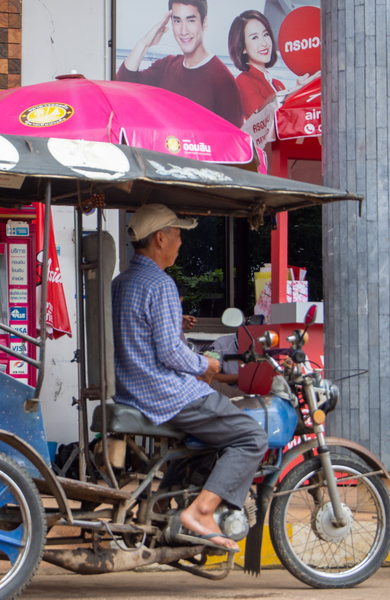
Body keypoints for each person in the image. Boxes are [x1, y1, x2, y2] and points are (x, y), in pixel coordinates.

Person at [111, 204, 268, 551]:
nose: (181, 242)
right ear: (160, 238)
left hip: (132, 390)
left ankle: (165, 502)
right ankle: (201, 511)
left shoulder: (123, 282)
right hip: (164, 394)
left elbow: (141, 335)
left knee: (211, 437)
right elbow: (169, 352)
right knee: (251, 437)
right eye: (178, 234)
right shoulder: (161, 284)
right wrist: (205, 366)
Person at [117, 0, 244, 128]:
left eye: (190, 20)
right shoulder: (165, 67)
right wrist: (144, 43)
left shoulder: (224, 81)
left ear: (204, 23)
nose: (183, 31)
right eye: (177, 21)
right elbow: (123, 84)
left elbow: (236, 142)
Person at [228, 10, 286, 119]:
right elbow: (266, 121)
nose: (264, 43)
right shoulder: (244, 81)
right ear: (243, 47)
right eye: (255, 37)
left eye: (265, 34)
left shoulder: (278, 84)